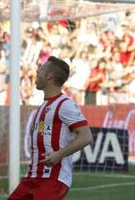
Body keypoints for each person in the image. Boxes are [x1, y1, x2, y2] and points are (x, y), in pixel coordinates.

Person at [8, 56, 93, 200]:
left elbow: (86, 136)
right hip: (33, 177)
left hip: (53, 178)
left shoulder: (65, 104)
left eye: (41, 69)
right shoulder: (44, 107)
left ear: (49, 76)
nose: (37, 71)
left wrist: (59, 154)